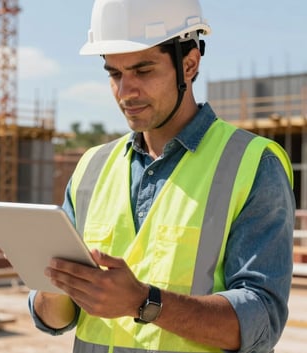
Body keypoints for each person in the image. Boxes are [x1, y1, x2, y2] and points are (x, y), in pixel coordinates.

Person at [28, 0, 296, 352]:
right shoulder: (91, 167)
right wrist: (54, 284)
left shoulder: (252, 163)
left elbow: (261, 322)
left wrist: (143, 302)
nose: (126, 92)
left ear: (189, 64)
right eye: (115, 74)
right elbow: (55, 319)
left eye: (143, 71)